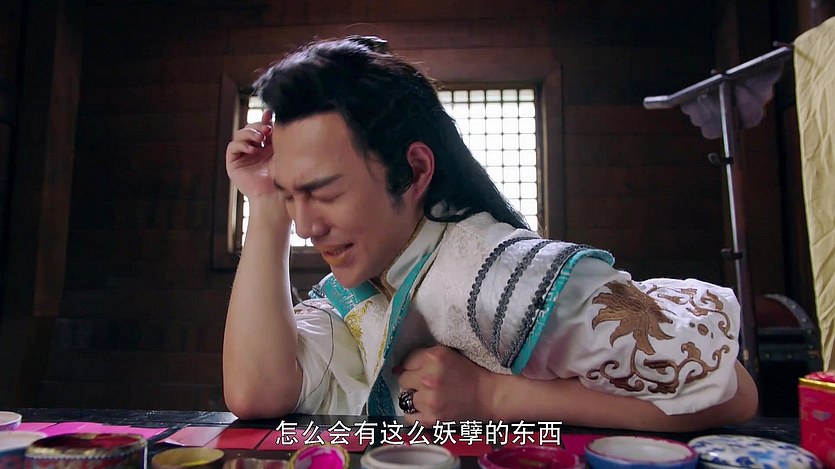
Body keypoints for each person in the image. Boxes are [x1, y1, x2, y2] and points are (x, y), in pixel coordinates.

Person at [222, 35, 758, 431]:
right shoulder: (372, 279)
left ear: (413, 171)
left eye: (324, 193)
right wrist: (266, 205)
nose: (306, 226)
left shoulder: (497, 274)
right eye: (291, 196)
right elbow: (257, 391)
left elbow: (733, 393)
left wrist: (493, 397)